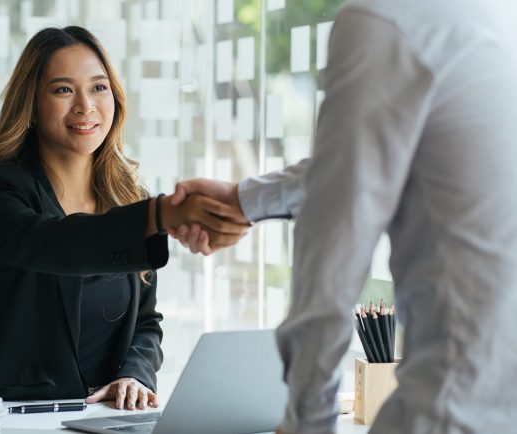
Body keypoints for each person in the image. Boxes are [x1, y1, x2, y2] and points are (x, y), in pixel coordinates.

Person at [171, 0, 517, 433]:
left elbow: (332, 263)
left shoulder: (386, 19)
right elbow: (363, 163)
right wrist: (247, 199)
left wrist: (307, 421)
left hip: (452, 411)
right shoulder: (496, 17)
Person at [0, 26, 248, 409]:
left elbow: (146, 323)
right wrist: (161, 214)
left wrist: (134, 374)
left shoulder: (128, 195)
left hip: (105, 417)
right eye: (63, 90)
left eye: (99, 87)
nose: (85, 106)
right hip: (18, 414)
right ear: (32, 104)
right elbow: (59, 243)